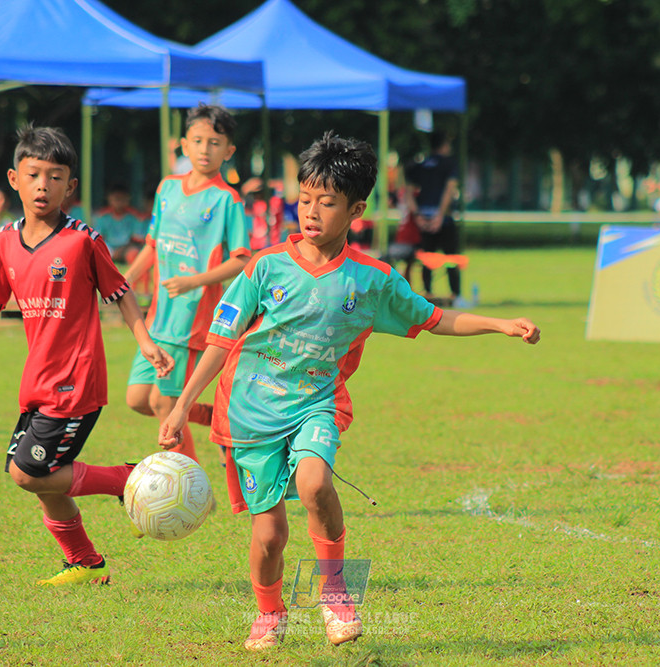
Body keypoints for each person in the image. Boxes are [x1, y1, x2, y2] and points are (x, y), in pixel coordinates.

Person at [159, 132, 541, 651]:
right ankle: (270, 612)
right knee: (269, 536)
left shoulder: (372, 281)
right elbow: (220, 341)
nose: (311, 213)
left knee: (316, 484)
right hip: (250, 413)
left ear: (356, 209)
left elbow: (434, 317)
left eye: (327, 202)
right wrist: (182, 406)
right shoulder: (264, 267)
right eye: (305, 200)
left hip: (316, 403)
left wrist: (500, 325)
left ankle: (336, 591)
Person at [0, 125, 173, 586]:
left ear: (71, 186)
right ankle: (85, 563)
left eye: (56, 176)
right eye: (34, 174)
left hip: (76, 383)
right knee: (39, 479)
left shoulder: (82, 240)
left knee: (29, 474)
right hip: (38, 383)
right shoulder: (3, 242)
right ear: (14, 179)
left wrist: (144, 341)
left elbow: (121, 291)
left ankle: (125, 481)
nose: (44, 184)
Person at [124, 104, 251, 463]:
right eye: (197, 140)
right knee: (137, 399)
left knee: (164, 402)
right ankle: (213, 416)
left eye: (214, 143)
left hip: (192, 319)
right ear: (183, 144)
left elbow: (242, 258)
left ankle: (187, 488)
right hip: (157, 318)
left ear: (228, 151)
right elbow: (152, 244)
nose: (204, 149)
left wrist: (195, 280)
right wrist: (126, 280)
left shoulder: (227, 199)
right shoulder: (167, 188)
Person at [404, 130, 462, 305]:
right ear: (444, 145)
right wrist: (440, 215)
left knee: (426, 258)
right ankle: (455, 295)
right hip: (442, 219)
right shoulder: (449, 164)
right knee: (451, 257)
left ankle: (427, 293)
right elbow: (449, 190)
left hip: (423, 218)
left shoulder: (418, 164)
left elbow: (408, 193)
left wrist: (418, 216)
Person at [92, 183, 147, 264]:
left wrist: (121, 250)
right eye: (116, 198)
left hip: (126, 249)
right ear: (109, 198)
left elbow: (137, 240)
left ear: (128, 199)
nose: (119, 202)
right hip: (108, 248)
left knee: (133, 253)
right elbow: (97, 239)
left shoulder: (134, 216)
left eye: (122, 198)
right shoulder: (102, 216)